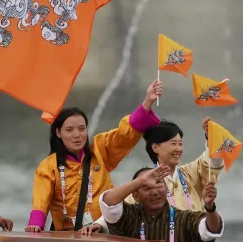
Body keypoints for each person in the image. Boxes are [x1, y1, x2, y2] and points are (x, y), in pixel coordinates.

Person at [27, 79, 163, 234]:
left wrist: (147, 102)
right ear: (58, 133)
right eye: (69, 130)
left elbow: (123, 135)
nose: (77, 135)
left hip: (105, 234)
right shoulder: (48, 167)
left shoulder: (100, 150)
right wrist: (35, 224)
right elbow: (40, 202)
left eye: (81, 128)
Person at [100, 165, 223, 242]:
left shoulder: (183, 219)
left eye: (159, 184)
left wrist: (209, 207)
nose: (154, 192)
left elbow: (211, 229)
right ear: (136, 196)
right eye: (146, 188)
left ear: (166, 189)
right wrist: (140, 181)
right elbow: (108, 203)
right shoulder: (129, 216)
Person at [139, 117, 215, 212]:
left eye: (180, 144)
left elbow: (211, 163)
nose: (178, 149)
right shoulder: (144, 182)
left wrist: (211, 136)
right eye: (173, 143)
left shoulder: (190, 173)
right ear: (155, 148)